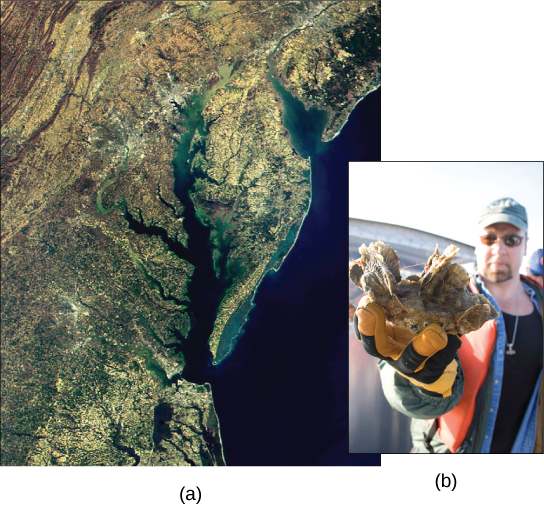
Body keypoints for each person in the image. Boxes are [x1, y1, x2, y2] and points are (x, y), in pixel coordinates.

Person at [354, 197, 543, 453]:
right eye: (489, 238)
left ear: (525, 245)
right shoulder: (438, 293)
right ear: (477, 243)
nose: (499, 249)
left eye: (511, 239)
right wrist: (422, 384)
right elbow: (400, 393)